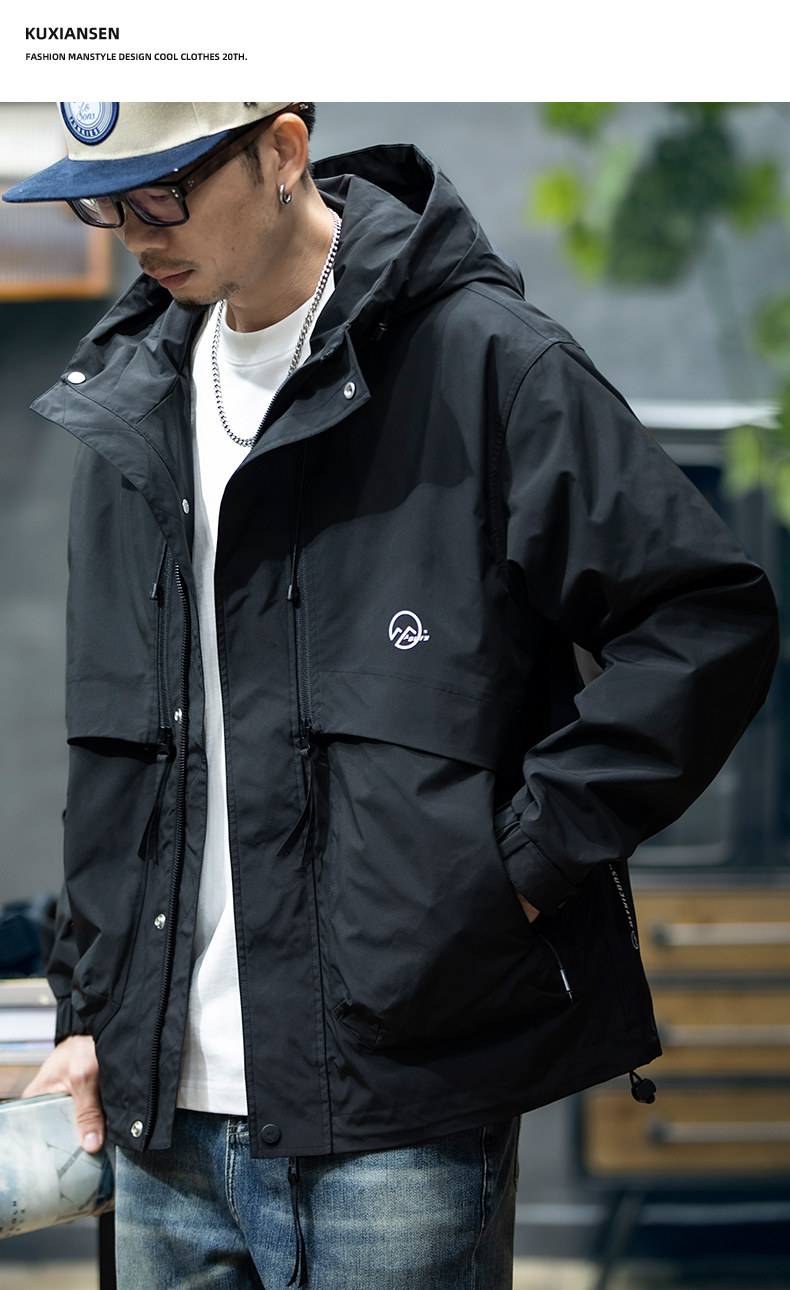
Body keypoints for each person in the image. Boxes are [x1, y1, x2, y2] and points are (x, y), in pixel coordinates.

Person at [2, 102, 779, 1289]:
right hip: (162, 1122)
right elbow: (127, 760)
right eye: (102, 202)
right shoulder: (130, 397)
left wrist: (513, 871)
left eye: (162, 190)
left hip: (395, 1103)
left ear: (282, 149)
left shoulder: (486, 363)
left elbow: (701, 620)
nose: (134, 231)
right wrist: (87, 1011)